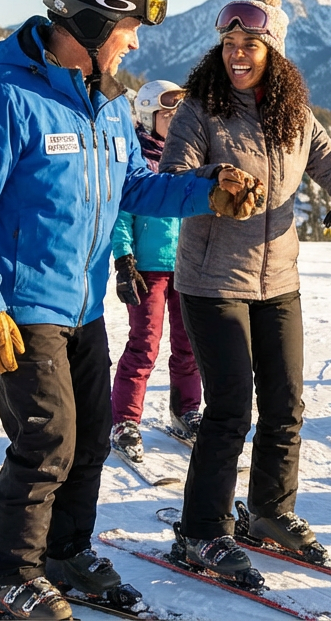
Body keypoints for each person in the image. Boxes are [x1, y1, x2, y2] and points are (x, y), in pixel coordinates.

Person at [0, 0, 262, 620]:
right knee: (46, 439)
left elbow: (130, 187)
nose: (136, 40)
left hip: (82, 305)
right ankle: (7, 573)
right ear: (85, 20)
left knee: (92, 436)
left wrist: (207, 193)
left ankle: (65, 552)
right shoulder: (4, 97)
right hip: (21, 307)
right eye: (128, 27)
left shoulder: (106, 101)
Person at [159, 0, 331, 583]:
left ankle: (269, 512)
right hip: (212, 281)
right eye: (230, 43)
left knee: (286, 404)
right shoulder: (199, 109)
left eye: (250, 44)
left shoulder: (293, 113)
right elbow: (173, 177)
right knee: (231, 407)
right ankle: (201, 532)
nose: (237, 54)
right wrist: (217, 178)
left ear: (273, 50)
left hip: (278, 279)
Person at [109, 80, 203, 462]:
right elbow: (121, 212)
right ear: (148, 116)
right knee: (144, 345)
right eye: (168, 114)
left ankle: (186, 410)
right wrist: (123, 258)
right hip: (149, 268)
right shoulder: (138, 160)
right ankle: (125, 420)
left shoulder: (190, 159)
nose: (177, 120)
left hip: (189, 267)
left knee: (190, 345)